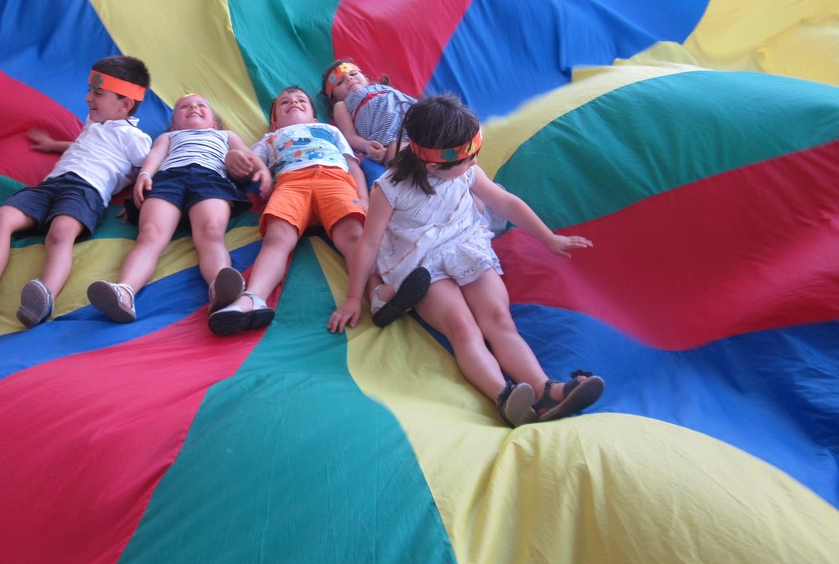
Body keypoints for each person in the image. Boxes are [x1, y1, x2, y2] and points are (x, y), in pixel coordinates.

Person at [327, 94, 605, 427]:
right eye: (468, 158)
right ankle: (504, 395)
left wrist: (548, 238)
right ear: (433, 165)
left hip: (465, 246)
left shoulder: (466, 171)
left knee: (498, 319)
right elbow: (370, 243)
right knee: (463, 327)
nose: (475, 161)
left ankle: (545, 391)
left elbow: (506, 202)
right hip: (420, 262)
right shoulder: (389, 190)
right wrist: (353, 297)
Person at [0, 55, 154, 328]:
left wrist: (138, 202)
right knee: (0, 218)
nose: (88, 98)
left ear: (125, 104)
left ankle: (44, 298)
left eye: (98, 93)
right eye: (90, 90)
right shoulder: (93, 123)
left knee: (60, 233)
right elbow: (87, 146)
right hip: (50, 185)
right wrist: (54, 144)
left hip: (86, 190)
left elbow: (147, 168)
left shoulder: (135, 138)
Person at [209, 85, 424, 336]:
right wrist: (235, 159)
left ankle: (376, 293)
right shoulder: (269, 139)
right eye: (284, 102)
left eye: (301, 100)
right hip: (290, 183)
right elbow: (249, 164)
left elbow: (352, 165)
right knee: (276, 238)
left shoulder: (329, 130)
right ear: (274, 122)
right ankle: (253, 298)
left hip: (334, 180)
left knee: (354, 235)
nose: (293, 102)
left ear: (314, 117)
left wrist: (363, 198)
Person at [86, 93, 271, 323]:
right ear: (174, 124)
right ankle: (124, 292)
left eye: (201, 105)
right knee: (150, 233)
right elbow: (155, 156)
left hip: (210, 180)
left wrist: (262, 170)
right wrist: (144, 175)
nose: (193, 108)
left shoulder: (225, 135)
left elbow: (248, 154)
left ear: (215, 123)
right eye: (184, 106)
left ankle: (220, 289)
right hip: (168, 180)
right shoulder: (169, 136)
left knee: (211, 232)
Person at [321, 58, 417, 166]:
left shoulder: (382, 88)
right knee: (400, 153)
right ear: (334, 98)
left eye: (353, 74)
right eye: (340, 82)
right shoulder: (341, 105)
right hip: (389, 138)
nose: (349, 78)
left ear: (366, 78)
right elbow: (349, 136)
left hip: (413, 118)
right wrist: (366, 145)